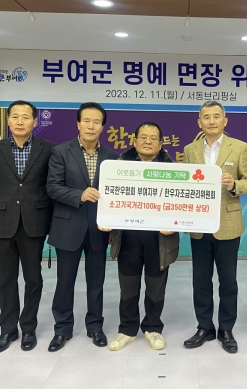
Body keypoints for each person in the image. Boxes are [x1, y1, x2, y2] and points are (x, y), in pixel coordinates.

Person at [182, 101, 247, 353]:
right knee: (201, 281)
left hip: (228, 223)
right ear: (199, 122)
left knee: (228, 282)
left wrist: (234, 185)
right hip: (199, 224)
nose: (211, 121)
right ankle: (205, 327)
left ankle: (226, 329)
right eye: (206, 117)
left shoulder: (240, 147)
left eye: (216, 116)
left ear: (225, 121)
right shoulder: (190, 150)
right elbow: (184, 185)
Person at [0, 100, 55, 353]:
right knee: (6, 280)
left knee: (33, 279)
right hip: (2, 222)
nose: (20, 121)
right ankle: (8, 329)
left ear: (35, 121)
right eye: (15, 116)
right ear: (8, 120)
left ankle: (29, 328)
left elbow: (52, 188)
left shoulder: (48, 149)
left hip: (34, 222)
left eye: (26, 117)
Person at [46, 102, 118, 352]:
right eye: (86, 121)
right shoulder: (60, 152)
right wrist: (79, 194)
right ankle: (62, 329)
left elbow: (115, 195)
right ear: (78, 124)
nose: (91, 126)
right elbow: (52, 187)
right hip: (68, 227)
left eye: (96, 122)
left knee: (96, 282)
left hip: (99, 228)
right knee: (64, 282)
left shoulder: (112, 157)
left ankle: (95, 326)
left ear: (102, 127)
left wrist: (114, 228)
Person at [105, 122, 179, 351]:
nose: (148, 142)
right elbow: (109, 198)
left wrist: (175, 223)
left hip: (160, 239)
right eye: (143, 137)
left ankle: (153, 327)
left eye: (153, 138)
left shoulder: (175, 171)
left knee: (156, 286)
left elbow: (183, 203)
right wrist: (107, 219)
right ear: (134, 141)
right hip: (127, 237)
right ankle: (127, 329)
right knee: (128, 285)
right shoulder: (118, 168)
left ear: (161, 144)